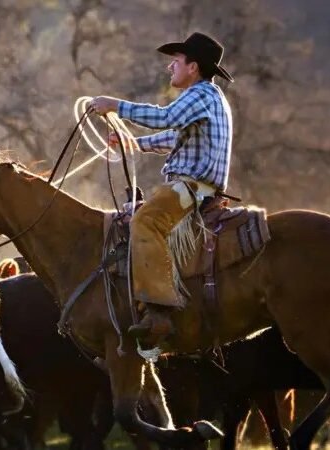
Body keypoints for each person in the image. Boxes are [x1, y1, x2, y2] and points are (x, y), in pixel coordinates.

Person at [90, 32, 234, 344]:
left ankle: (158, 311)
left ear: (193, 67)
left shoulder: (200, 95)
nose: (170, 67)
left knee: (145, 221)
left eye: (176, 61)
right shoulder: (209, 98)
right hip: (197, 188)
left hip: (191, 188)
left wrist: (115, 106)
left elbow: (164, 117)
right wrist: (133, 143)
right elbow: (175, 137)